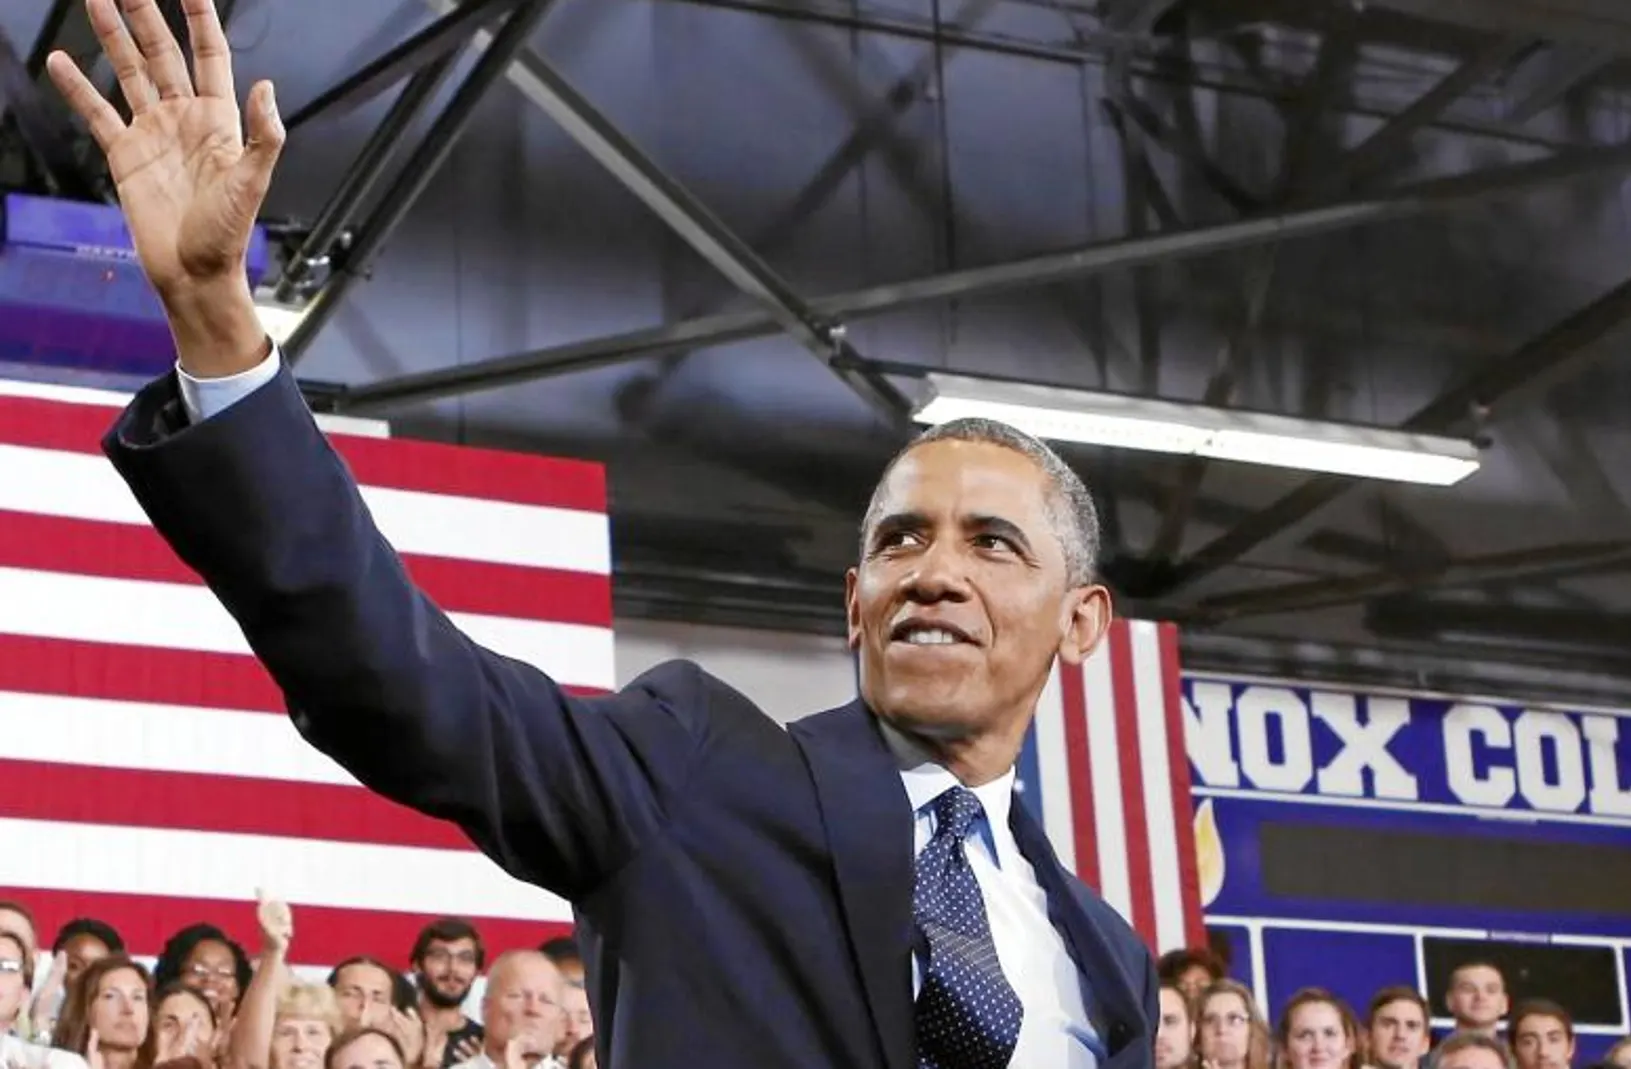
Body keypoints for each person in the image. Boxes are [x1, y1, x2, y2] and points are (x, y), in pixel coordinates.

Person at [46, 3, 1159, 1067]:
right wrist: (215, 317)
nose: (936, 574)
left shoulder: (1103, 959)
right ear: (852, 598)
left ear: (1080, 619)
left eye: (992, 544)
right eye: (902, 541)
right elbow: (404, 683)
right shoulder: (700, 769)